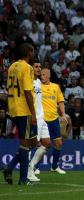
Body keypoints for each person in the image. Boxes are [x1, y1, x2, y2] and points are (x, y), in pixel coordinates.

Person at [3, 43, 37, 185]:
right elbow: (28, 92)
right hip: (24, 108)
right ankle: (23, 179)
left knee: (32, 141)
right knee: (25, 143)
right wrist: (33, 113)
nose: (33, 53)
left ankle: (9, 167)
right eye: (33, 51)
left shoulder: (12, 66)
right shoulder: (27, 68)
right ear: (29, 52)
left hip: (13, 108)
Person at [27, 59, 51, 182]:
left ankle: (31, 167)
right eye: (36, 66)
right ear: (31, 68)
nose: (38, 68)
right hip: (33, 117)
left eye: (39, 66)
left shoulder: (38, 81)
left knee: (47, 143)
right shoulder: (28, 81)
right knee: (30, 145)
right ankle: (29, 171)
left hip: (42, 117)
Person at [40, 68, 68, 174]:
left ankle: (54, 166)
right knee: (43, 145)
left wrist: (63, 114)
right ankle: (36, 167)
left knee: (59, 143)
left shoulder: (55, 87)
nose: (41, 76)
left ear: (48, 76)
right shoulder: (37, 86)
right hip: (42, 120)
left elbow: (60, 101)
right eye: (41, 74)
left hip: (54, 119)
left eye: (43, 74)